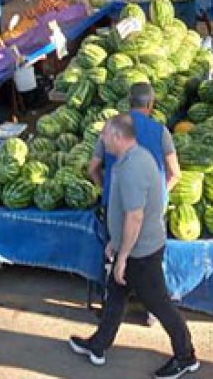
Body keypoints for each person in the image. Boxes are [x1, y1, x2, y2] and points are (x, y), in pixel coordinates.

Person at [68, 115, 199, 379]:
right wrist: (115, 245)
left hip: (142, 253)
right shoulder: (130, 159)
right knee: (115, 296)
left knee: (160, 304)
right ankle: (98, 345)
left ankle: (186, 357)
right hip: (131, 248)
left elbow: (135, 216)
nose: (102, 140)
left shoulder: (132, 168)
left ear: (117, 137)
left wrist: (124, 255)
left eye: (105, 135)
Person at [88, 83, 180, 200]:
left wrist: (106, 190)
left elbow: (93, 169)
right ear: (149, 104)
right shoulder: (161, 131)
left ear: (129, 102)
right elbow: (175, 174)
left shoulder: (110, 128)